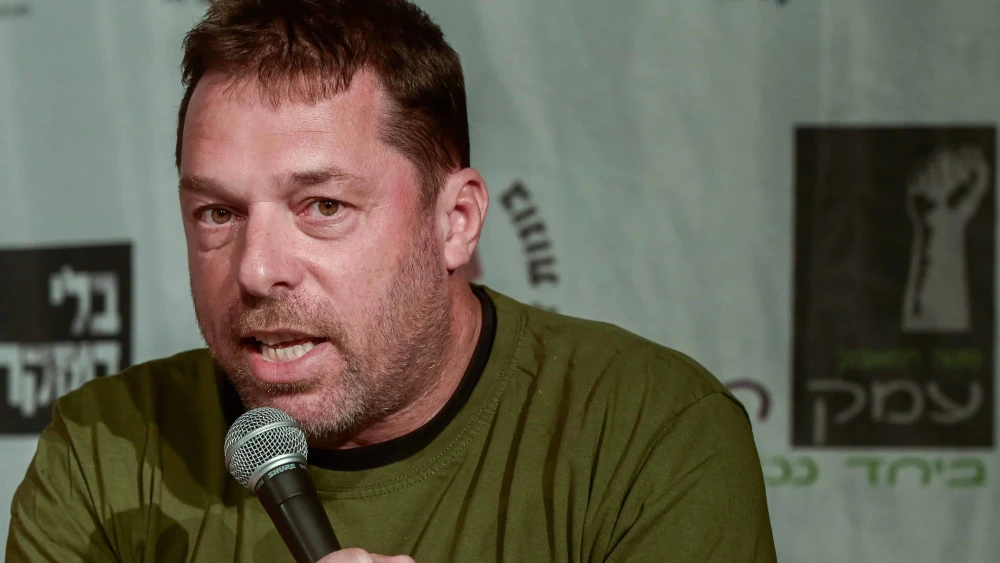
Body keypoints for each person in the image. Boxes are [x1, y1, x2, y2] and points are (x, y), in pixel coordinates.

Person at [6, 0, 776, 561]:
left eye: (324, 205)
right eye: (217, 212)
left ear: (457, 220)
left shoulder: (649, 433)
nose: (257, 267)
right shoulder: (107, 447)